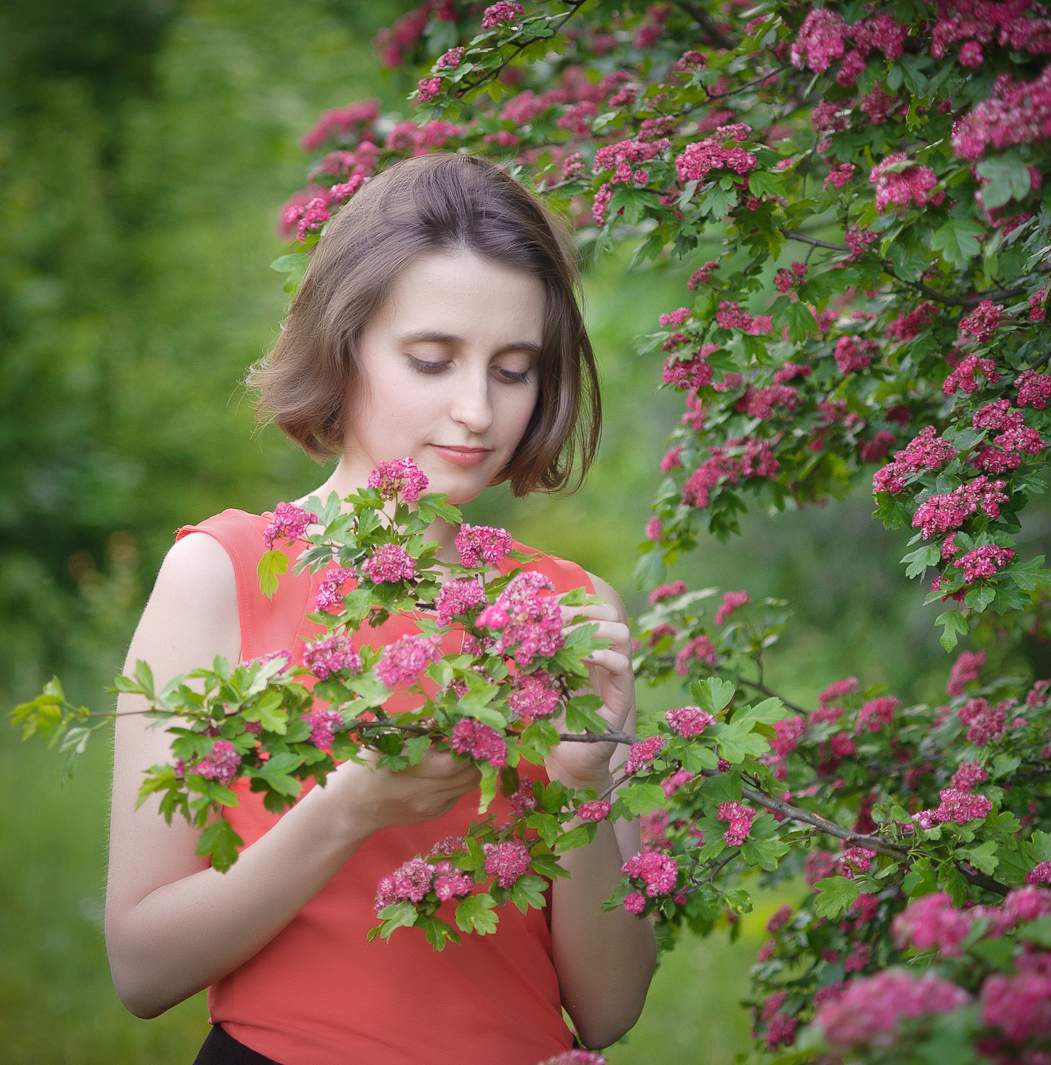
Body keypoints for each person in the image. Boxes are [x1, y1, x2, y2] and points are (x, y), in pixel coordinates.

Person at [103, 152, 657, 1065]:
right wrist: (347, 810)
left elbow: (610, 1010)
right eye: (432, 360)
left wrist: (581, 784)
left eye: (514, 370)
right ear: (344, 343)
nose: (476, 409)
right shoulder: (221, 573)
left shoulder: (569, 609)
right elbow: (141, 967)